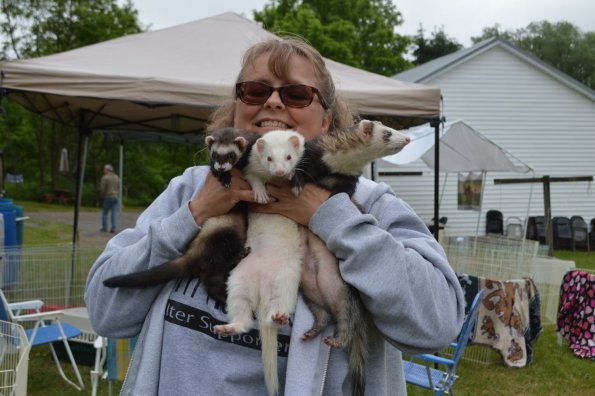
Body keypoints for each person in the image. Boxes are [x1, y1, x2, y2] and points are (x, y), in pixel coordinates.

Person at [85, 37, 464, 395]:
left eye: (297, 94)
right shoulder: (189, 191)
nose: (273, 103)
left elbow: (437, 324)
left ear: (326, 120)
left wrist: (329, 216)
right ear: (237, 109)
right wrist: (195, 214)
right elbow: (106, 312)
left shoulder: (370, 204)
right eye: (255, 90)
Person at [100, 164, 120, 233]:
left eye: (104, 169)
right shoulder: (117, 177)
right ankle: (113, 228)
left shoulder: (105, 177)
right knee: (114, 213)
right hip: (115, 197)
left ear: (107, 170)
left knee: (105, 213)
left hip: (107, 197)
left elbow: (102, 188)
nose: (103, 170)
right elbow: (119, 187)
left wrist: (102, 195)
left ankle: (104, 227)